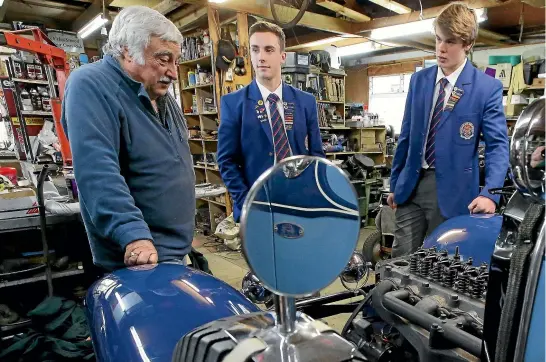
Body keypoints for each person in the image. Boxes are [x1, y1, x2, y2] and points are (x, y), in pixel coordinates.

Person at [61, 6, 195, 272]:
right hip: (140, 259)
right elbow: (97, 171)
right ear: (126, 50)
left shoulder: (161, 96)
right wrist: (134, 236)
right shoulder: (91, 85)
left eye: (175, 61)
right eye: (163, 59)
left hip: (174, 252)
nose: (172, 72)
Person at [388, 3, 509, 257]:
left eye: (450, 42)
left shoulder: (486, 88)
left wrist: (490, 194)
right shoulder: (419, 81)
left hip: (453, 194)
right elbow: (407, 136)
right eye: (438, 39)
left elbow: (498, 146)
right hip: (411, 187)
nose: (441, 48)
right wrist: (396, 184)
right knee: (398, 263)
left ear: (468, 44)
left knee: (440, 265)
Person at [217, 21, 325, 222]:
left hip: (300, 204)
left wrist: (313, 196)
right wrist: (248, 202)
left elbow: (317, 156)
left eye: (269, 50)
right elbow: (226, 161)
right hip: (258, 208)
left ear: (282, 56)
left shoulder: (306, 102)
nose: (261, 57)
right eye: (255, 50)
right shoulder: (233, 104)